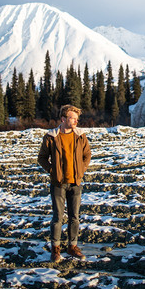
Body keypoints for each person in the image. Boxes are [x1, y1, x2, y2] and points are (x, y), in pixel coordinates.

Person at [37, 104, 92, 262]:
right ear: (63, 119)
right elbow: (41, 158)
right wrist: (52, 171)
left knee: (74, 217)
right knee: (57, 218)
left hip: (75, 182)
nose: (75, 121)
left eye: (76, 118)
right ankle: (55, 249)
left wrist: (81, 171)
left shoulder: (80, 135)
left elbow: (87, 155)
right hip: (58, 183)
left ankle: (72, 246)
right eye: (72, 118)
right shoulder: (51, 137)